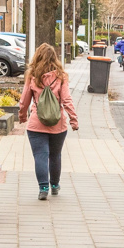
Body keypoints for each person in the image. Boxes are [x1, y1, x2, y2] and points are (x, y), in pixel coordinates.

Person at [18, 44, 79, 200]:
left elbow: (25, 99)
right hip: (58, 124)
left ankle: (43, 187)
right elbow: (66, 99)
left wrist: (22, 116)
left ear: (37, 57)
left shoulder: (32, 76)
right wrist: (73, 119)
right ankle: (55, 185)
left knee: (40, 155)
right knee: (55, 155)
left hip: (36, 124)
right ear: (55, 58)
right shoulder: (61, 76)